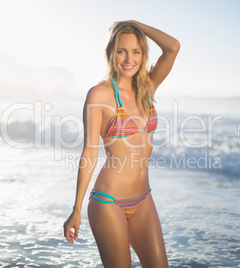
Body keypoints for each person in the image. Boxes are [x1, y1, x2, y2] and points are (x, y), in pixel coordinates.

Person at [63, 20, 180, 268]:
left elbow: (173, 47)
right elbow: (90, 153)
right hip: (108, 202)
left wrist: (135, 24)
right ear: (110, 54)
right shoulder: (100, 94)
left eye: (136, 51)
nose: (129, 59)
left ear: (143, 55)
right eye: (121, 51)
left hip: (143, 199)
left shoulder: (146, 87)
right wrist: (76, 209)